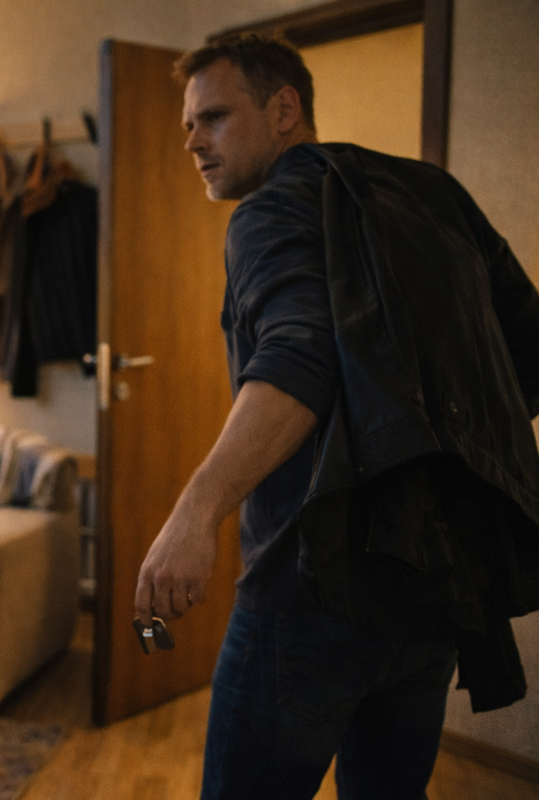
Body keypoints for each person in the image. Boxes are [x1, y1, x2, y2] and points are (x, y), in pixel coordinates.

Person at [132, 33, 539, 799]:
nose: (191, 141)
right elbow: (526, 350)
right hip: (434, 583)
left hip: (309, 592)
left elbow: (298, 360)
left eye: (213, 117)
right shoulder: (433, 193)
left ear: (284, 109)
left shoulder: (270, 209)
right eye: (187, 124)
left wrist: (195, 512)